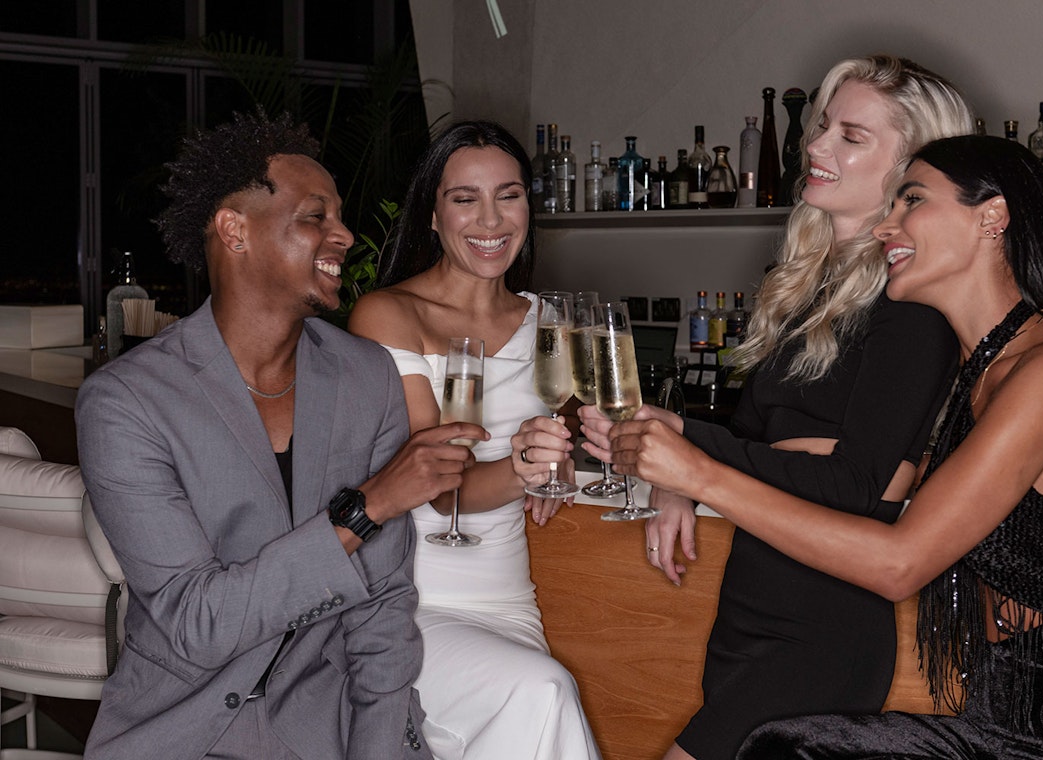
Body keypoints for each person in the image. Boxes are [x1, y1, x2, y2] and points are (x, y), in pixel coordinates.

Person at [611, 135, 1043, 758]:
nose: (885, 226)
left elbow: (899, 565)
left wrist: (701, 475)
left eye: (910, 200)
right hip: (1003, 714)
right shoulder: (980, 374)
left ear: (991, 217)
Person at [577, 55, 974, 760]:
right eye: (823, 126)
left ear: (911, 169)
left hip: (822, 630)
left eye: (850, 135)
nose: (815, 147)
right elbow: (756, 439)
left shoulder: (913, 309)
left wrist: (694, 460)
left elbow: (853, 487)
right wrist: (680, 475)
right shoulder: (805, 287)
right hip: (752, 616)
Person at [75, 110, 482, 759]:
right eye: (315, 216)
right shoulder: (128, 402)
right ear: (235, 230)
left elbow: (380, 609)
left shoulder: (365, 375)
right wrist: (368, 506)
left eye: (340, 216)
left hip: (327, 727)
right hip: (187, 731)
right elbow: (198, 625)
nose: (345, 235)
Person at [347, 120, 600, 760]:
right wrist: (524, 468)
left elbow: (590, 425)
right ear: (432, 214)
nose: (491, 218)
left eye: (508, 195)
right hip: (409, 605)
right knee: (542, 693)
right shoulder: (388, 314)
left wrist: (562, 462)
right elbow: (436, 487)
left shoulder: (549, 320)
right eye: (465, 198)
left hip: (512, 604)